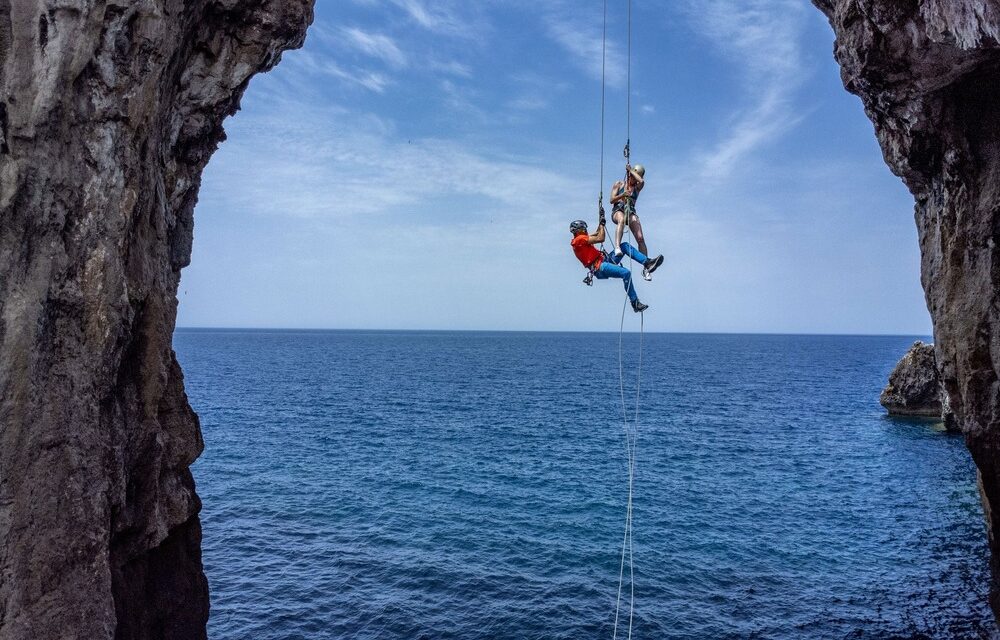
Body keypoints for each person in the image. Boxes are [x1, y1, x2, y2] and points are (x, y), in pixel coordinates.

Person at [570, 209, 663, 313]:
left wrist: (601, 220)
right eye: (583, 229)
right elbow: (601, 237)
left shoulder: (580, 239)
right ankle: (635, 302)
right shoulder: (579, 240)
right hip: (600, 267)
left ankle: (647, 262)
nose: (585, 230)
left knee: (624, 246)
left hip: (604, 261)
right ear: (577, 230)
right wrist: (601, 224)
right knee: (626, 273)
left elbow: (596, 233)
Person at [610, 164, 655, 281]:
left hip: (630, 212)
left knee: (640, 238)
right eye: (633, 177)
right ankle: (617, 247)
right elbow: (611, 200)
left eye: (636, 177)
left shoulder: (637, 187)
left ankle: (646, 267)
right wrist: (622, 195)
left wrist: (631, 171)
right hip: (618, 210)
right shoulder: (619, 184)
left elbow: (642, 181)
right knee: (621, 219)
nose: (634, 180)